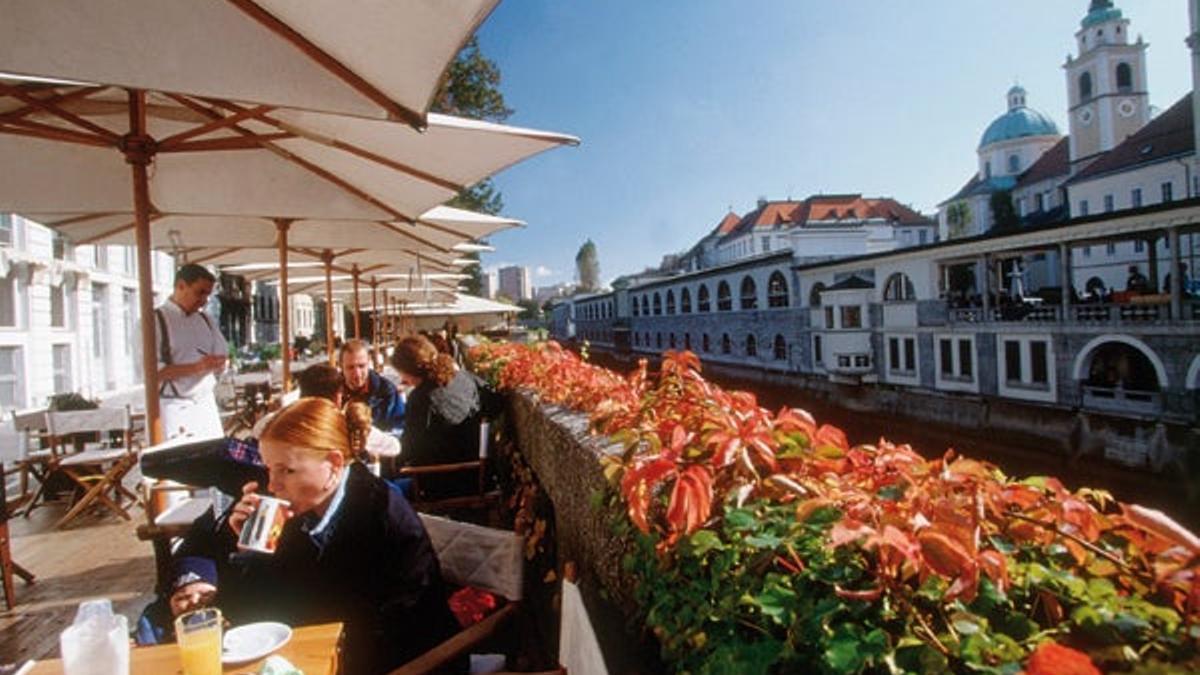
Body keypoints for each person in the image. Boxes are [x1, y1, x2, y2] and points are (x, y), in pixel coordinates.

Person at [170, 399, 461, 674]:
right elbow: (258, 611)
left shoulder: (378, 515)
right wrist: (249, 549)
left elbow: (398, 628)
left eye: (286, 470)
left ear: (334, 465)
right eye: (269, 469)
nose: (272, 485)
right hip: (318, 652)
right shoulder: (297, 506)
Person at [391, 336, 483, 498]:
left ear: (408, 371)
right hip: (476, 472)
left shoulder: (421, 398)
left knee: (386, 489)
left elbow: (409, 449)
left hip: (442, 481)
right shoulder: (463, 377)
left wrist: (391, 461)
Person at [155, 264, 228, 440]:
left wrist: (221, 364)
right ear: (181, 286)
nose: (204, 300)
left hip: (205, 404)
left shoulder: (206, 319)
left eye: (207, 295)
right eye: (199, 292)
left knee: (213, 462)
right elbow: (151, 373)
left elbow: (222, 354)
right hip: (174, 406)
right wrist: (196, 367)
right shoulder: (155, 321)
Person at [339, 339, 404, 431]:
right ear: (341, 366)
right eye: (350, 367)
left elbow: (399, 427)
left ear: (369, 362)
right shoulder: (333, 391)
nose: (357, 373)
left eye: (361, 366)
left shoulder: (386, 391)